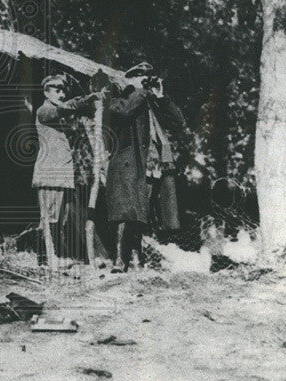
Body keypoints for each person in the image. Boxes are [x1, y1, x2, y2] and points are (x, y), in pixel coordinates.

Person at [105, 61, 189, 272]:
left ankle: (136, 257)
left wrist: (161, 97)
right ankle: (119, 259)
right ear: (130, 79)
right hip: (128, 165)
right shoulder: (120, 99)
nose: (146, 82)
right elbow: (123, 113)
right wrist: (141, 91)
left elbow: (178, 123)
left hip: (152, 164)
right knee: (125, 212)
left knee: (142, 211)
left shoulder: (151, 102)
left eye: (148, 77)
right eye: (142, 78)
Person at [32, 74, 98, 268]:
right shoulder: (44, 110)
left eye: (63, 90)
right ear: (46, 92)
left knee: (60, 219)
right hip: (51, 174)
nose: (61, 94)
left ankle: (49, 256)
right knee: (49, 217)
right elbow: (64, 109)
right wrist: (85, 99)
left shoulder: (58, 115)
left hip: (62, 174)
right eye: (57, 90)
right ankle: (45, 258)